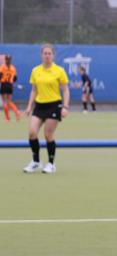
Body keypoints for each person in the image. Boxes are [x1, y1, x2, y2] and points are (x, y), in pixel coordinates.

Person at [22, 43, 69, 174]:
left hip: (54, 105)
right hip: (39, 106)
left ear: (53, 55)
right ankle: (36, 162)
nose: (47, 55)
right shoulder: (35, 70)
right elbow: (34, 90)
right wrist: (29, 106)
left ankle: (51, 164)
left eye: (49, 53)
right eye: (45, 53)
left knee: (48, 135)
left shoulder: (59, 70)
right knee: (32, 133)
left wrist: (65, 106)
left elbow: (65, 90)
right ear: (41, 55)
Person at [1, 54, 21, 122]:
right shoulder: (13, 68)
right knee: (8, 101)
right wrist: (11, 80)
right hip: (10, 85)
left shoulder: (2, 67)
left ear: (5, 60)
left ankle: (7, 118)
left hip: (4, 85)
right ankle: (16, 111)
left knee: (4, 101)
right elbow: (15, 78)